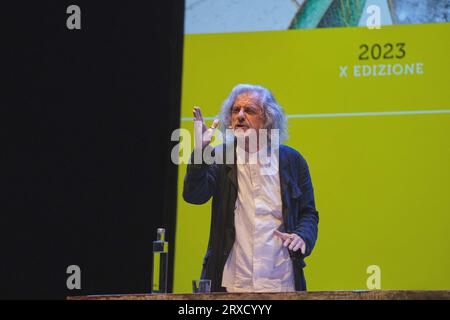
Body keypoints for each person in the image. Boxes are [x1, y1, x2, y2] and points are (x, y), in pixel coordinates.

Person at [183, 84, 319, 292]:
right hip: (232, 281)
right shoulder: (220, 157)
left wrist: (302, 236)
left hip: (281, 280)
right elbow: (194, 195)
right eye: (235, 110)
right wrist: (200, 152)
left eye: (250, 110)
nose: (240, 116)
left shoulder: (292, 160)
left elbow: (308, 213)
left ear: (267, 120)